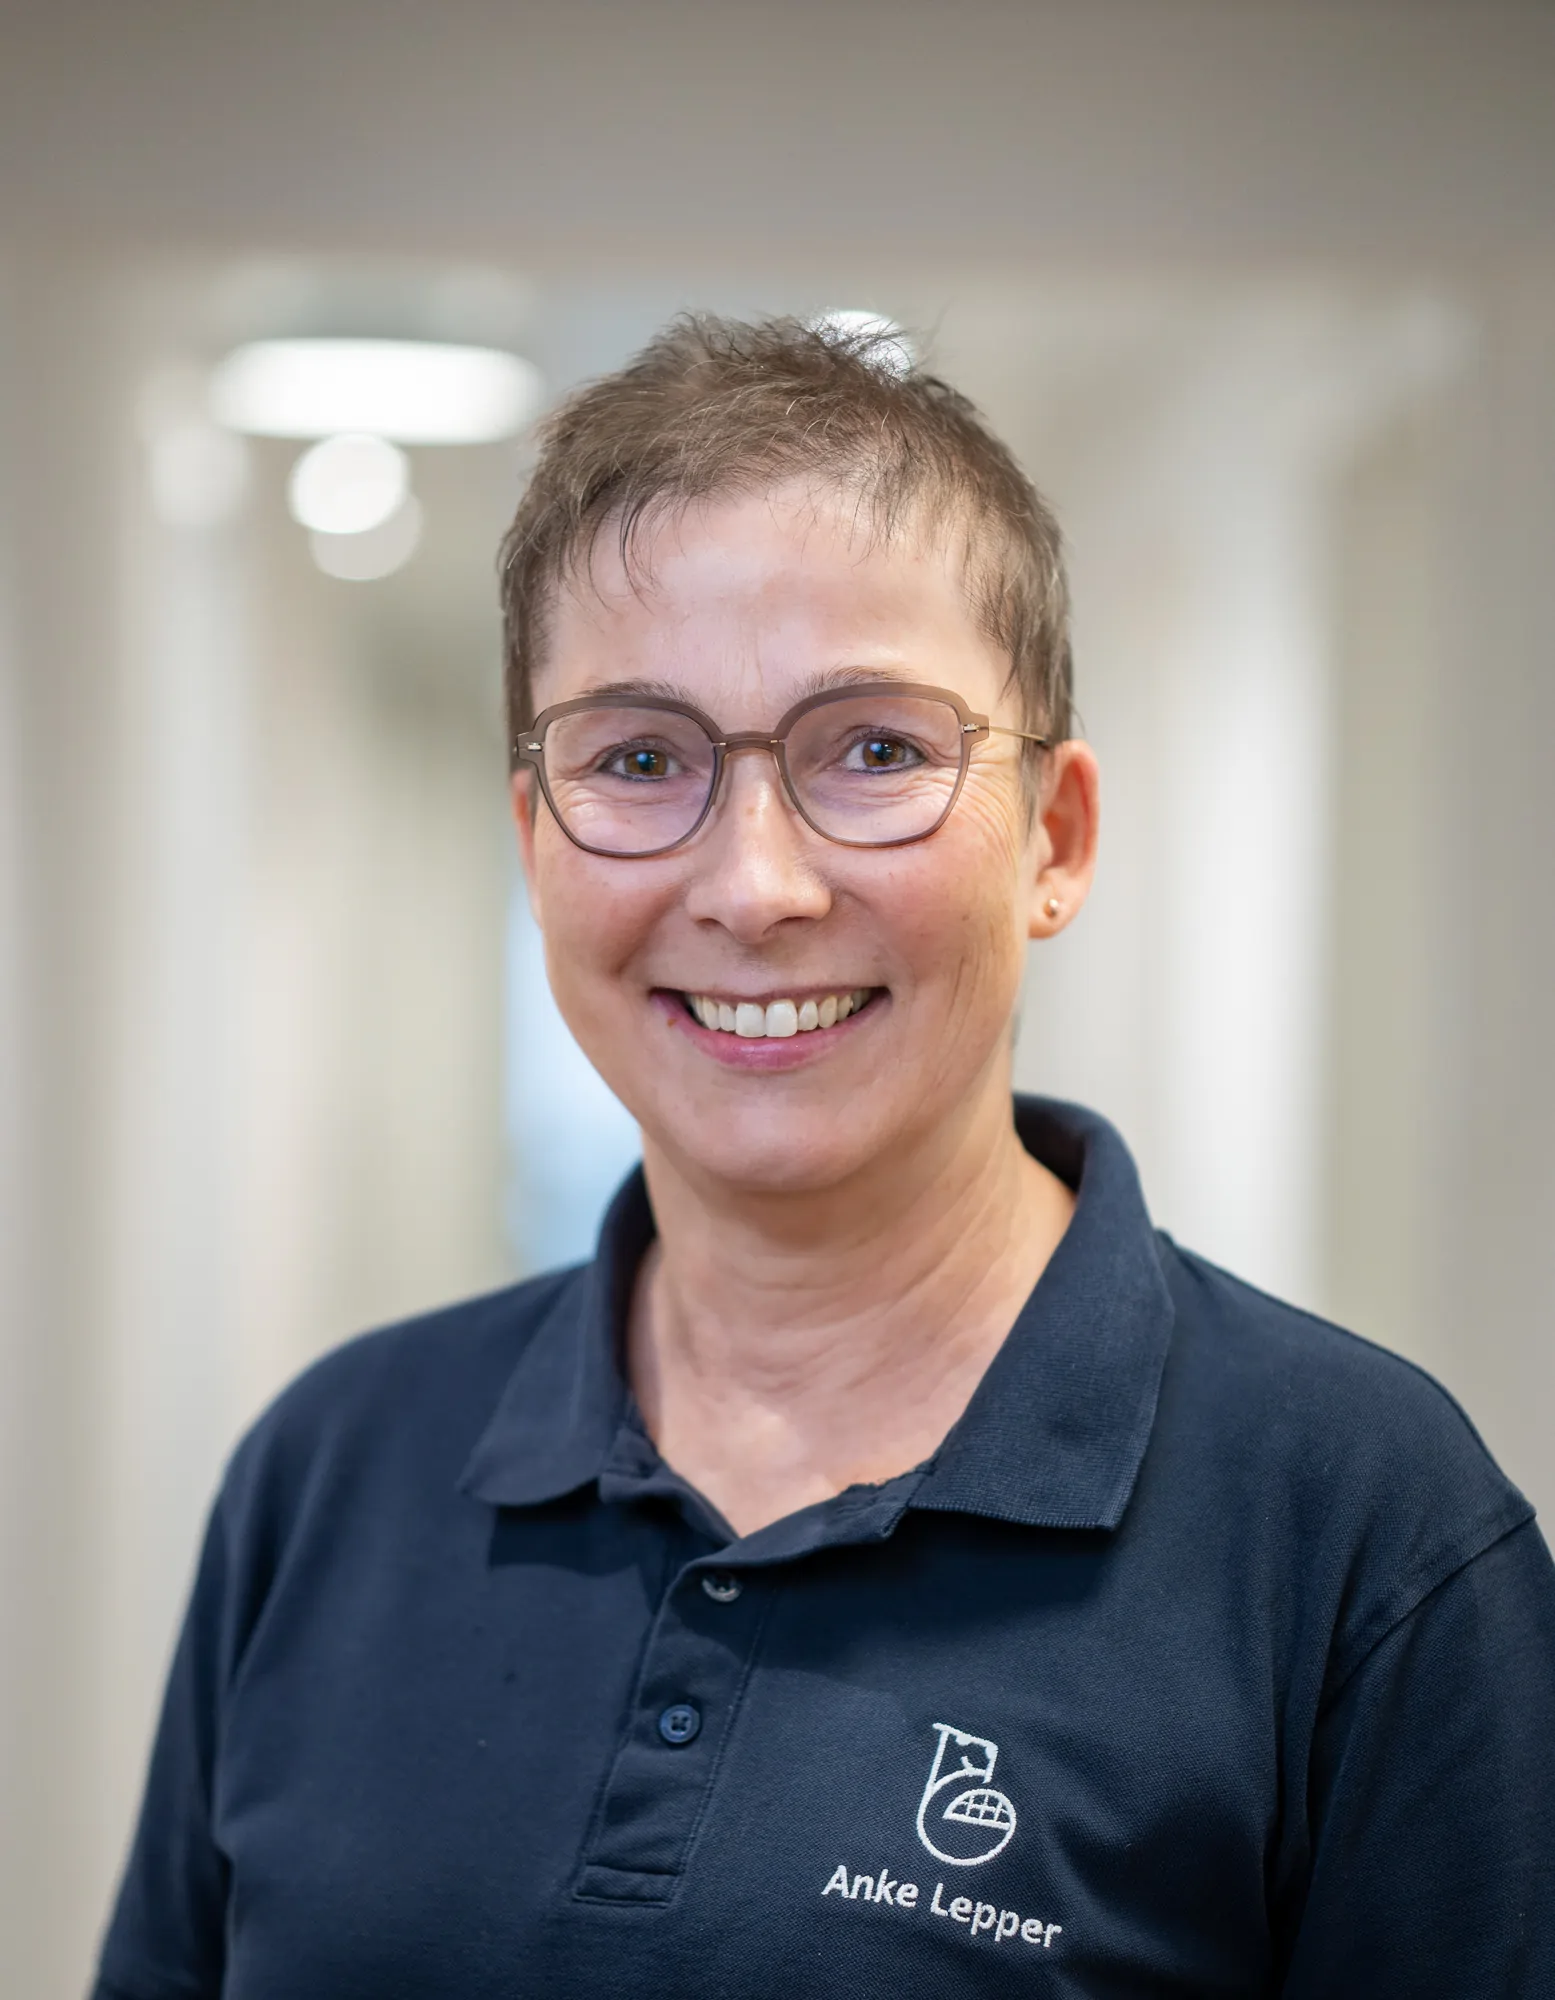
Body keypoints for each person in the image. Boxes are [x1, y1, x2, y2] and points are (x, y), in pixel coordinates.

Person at [94, 315, 1555, 1999]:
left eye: (874, 751)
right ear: (534, 842)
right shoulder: (330, 1473)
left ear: (1055, 840)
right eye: (639, 760)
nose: (755, 886)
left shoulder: (1360, 1533)